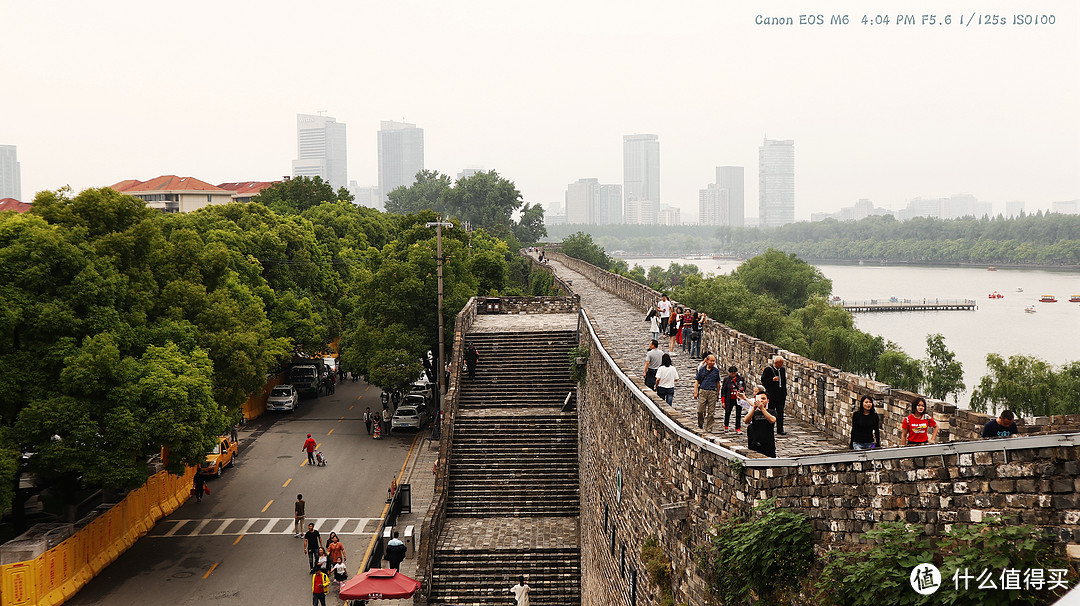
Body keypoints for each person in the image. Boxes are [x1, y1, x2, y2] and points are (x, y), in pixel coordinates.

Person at [745, 388, 777, 457]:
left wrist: (762, 409)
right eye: (760, 399)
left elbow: (772, 420)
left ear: (767, 401)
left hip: (768, 443)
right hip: (755, 442)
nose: (761, 400)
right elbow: (746, 420)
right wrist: (754, 408)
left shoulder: (772, 412)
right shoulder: (754, 413)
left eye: (763, 399)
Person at [761, 355, 788, 436]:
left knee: (780, 413)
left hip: (781, 395)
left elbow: (784, 381)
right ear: (777, 363)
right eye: (781, 363)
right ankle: (769, 429)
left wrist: (784, 392)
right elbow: (763, 380)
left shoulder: (782, 370)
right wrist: (772, 380)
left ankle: (780, 429)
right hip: (772, 395)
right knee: (770, 412)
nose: (782, 365)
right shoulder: (768, 370)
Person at [694, 354, 722, 431]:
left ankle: (709, 428)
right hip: (703, 391)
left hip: (712, 392)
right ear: (706, 361)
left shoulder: (716, 371)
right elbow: (697, 381)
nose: (713, 362)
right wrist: (695, 392)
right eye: (711, 361)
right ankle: (700, 424)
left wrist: (717, 393)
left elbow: (718, 383)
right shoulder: (702, 370)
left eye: (714, 361)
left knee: (711, 412)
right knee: (700, 410)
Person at [721, 366, 747, 432]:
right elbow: (723, 391)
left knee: (738, 413)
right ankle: (726, 426)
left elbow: (744, 388)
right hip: (729, 398)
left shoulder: (741, 379)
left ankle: (738, 427)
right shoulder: (726, 380)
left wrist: (741, 390)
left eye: (734, 373)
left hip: (738, 398)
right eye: (731, 373)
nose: (733, 374)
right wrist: (723, 402)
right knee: (727, 412)